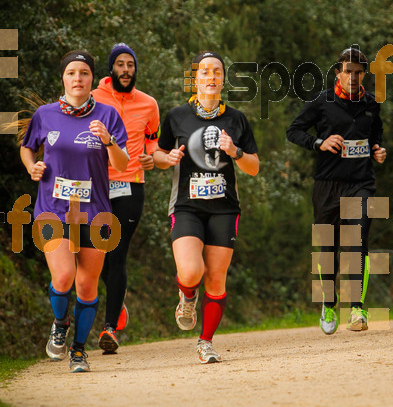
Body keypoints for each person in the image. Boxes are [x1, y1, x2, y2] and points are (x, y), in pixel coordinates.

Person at [20, 51, 129, 372]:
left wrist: (109, 142)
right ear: (63, 78)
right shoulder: (45, 114)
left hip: (95, 212)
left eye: (84, 73)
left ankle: (78, 351)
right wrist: (32, 167)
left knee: (86, 286)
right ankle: (60, 322)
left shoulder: (108, 115)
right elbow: (27, 147)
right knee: (64, 276)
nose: (78, 78)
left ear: (92, 79)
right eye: (71, 73)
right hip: (52, 208)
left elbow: (122, 164)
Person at [153, 51, 259, 363]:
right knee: (190, 271)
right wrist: (167, 158)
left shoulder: (236, 119)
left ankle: (206, 342)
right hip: (187, 206)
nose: (210, 77)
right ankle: (187, 297)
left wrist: (235, 151)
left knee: (216, 278)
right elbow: (157, 155)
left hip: (225, 209)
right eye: (204, 72)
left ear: (223, 79)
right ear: (195, 79)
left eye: (216, 72)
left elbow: (253, 167)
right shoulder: (176, 116)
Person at [286, 46, 386, 335]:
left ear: (364, 74)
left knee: (357, 240)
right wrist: (320, 143)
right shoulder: (322, 101)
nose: (352, 77)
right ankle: (329, 303)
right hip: (327, 184)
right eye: (348, 72)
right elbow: (293, 131)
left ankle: (358, 308)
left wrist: (378, 151)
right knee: (327, 247)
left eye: (358, 72)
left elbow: (375, 136)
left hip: (361, 183)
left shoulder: (371, 103)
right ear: (338, 72)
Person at [93, 43, 160, 354]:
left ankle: (109, 329)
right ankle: (116, 303)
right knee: (97, 253)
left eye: (130, 65)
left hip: (131, 184)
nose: (125, 70)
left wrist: (151, 158)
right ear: (111, 69)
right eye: (120, 64)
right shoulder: (92, 98)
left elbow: (153, 144)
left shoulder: (148, 104)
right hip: (93, 186)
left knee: (117, 252)